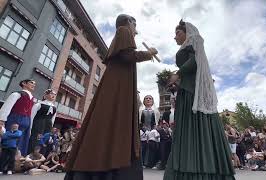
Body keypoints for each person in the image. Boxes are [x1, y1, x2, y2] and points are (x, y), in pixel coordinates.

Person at [64, 14, 158, 180]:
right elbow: (128, 56)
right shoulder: (124, 30)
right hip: (118, 87)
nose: (136, 30)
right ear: (129, 23)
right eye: (134, 25)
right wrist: (148, 53)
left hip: (117, 85)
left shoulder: (121, 34)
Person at [163, 20, 235, 180]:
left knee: (192, 128)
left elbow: (195, 61)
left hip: (192, 94)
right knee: (188, 130)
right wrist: (177, 85)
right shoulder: (186, 46)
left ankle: (197, 169)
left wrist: (178, 73)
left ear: (187, 32)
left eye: (178, 33)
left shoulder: (194, 43)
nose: (175, 37)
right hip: (186, 91)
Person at [0, 79, 36, 156]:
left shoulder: (32, 98)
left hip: (27, 121)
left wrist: (30, 126)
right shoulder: (17, 94)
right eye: (31, 82)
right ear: (24, 83)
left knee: (21, 144)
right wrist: (1, 120)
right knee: (10, 143)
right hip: (15, 119)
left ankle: (14, 163)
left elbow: (31, 113)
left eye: (34, 84)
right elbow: (7, 107)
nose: (33, 85)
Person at [29, 89, 57, 154]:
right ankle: (30, 155)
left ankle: (40, 157)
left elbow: (53, 120)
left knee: (44, 142)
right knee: (36, 140)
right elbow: (31, 116)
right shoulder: (38, 104)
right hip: (37, 125)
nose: (53, 95)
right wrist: (30, 128)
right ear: (45, 95)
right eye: (51, 93)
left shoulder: (54, 107)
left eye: (54, 94)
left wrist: (51, 131)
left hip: (48, 127)